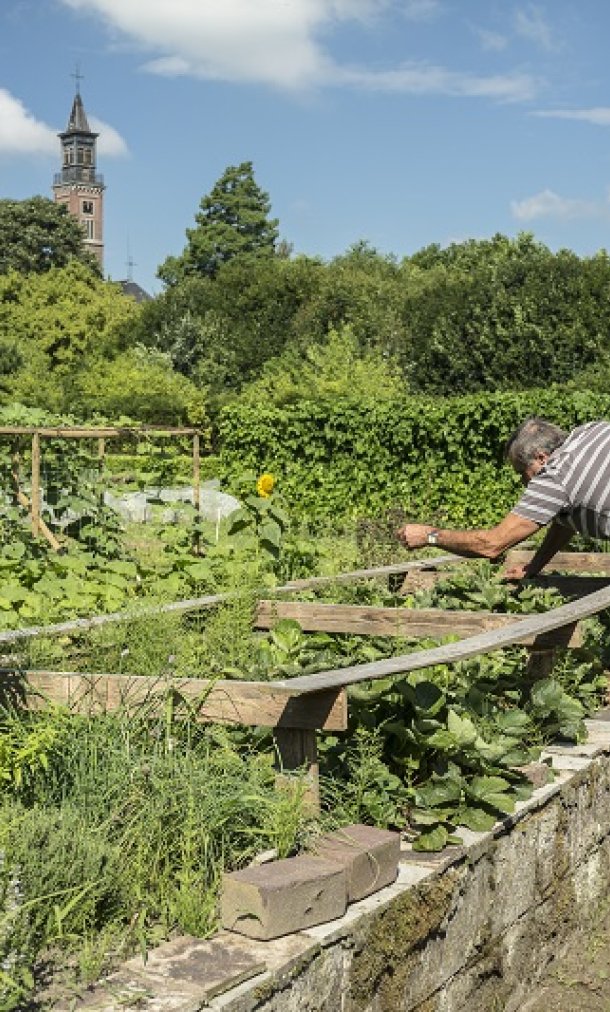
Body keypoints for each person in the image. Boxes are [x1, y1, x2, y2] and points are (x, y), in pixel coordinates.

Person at [396, 417, 610, 579]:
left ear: (541, 458)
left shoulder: (553, 476)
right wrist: (534, 566)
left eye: (522, 472)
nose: (524, 482)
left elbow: (491, 545)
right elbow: (566, 518)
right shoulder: (590, 430)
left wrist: (430, 536)